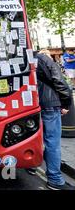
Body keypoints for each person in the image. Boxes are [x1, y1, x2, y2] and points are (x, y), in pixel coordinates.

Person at [35, 50, 75, 190]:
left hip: (30, 106)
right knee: (52, 142)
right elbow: (59, 81)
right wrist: (66, 103)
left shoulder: (22, 57)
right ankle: (55, 179)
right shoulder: (44, 59)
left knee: (34, 139)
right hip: (50, 104)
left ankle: (33, 166)